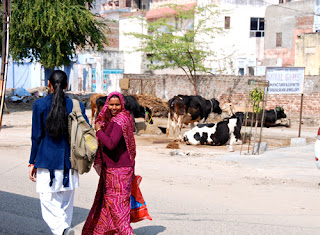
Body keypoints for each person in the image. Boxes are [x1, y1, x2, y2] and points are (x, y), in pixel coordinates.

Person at [28, 70, 89, 235]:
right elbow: (85, 132)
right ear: (67, 85)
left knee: (48, 202)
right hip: (70, 162)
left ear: (49, 84)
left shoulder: (39, 105)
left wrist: (32, 161)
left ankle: (62, 230)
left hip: (47, 161)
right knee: (66, 205)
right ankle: (63, 229)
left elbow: (36, 136)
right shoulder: (77, 105)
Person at [82, 91, 136, 235]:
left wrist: (99, 131)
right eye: (111, 104)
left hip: (118, 171)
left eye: (117, 105)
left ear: (122, 105)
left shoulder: (120, 121)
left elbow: (111, 144)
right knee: (112, 206)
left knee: (117, 208)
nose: (113, 107)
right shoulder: (121, 118)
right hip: (117, 168)